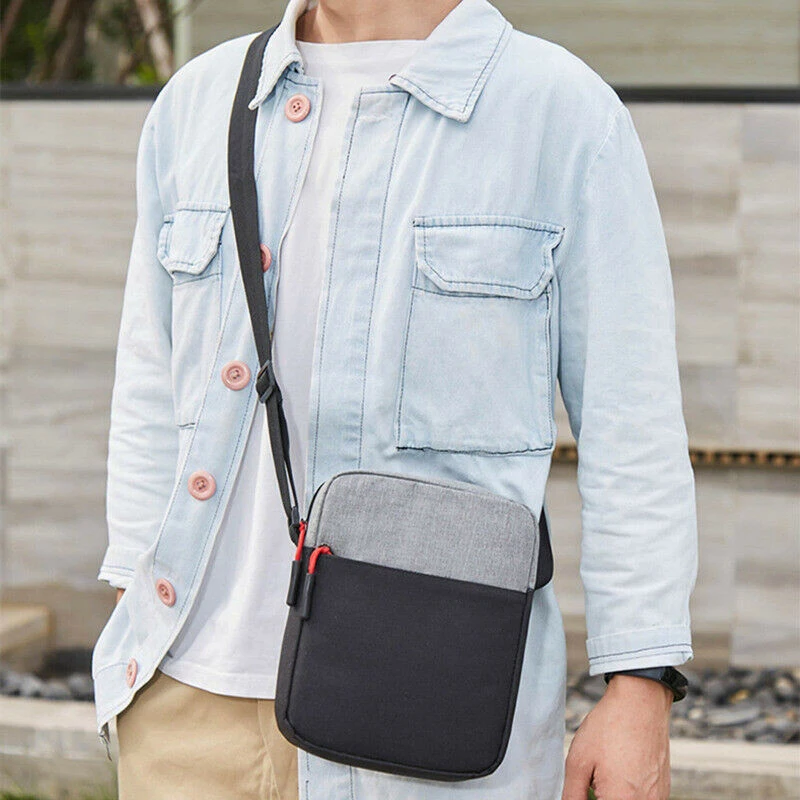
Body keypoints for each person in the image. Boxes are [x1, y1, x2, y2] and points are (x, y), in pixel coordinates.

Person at [92, 0, 699, 798]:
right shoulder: (199, 102)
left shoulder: (561, 113)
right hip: (187, 713)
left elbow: (632, 428)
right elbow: (148, 383)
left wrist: (641, 681)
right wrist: (131, 602)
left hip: (428, 723)